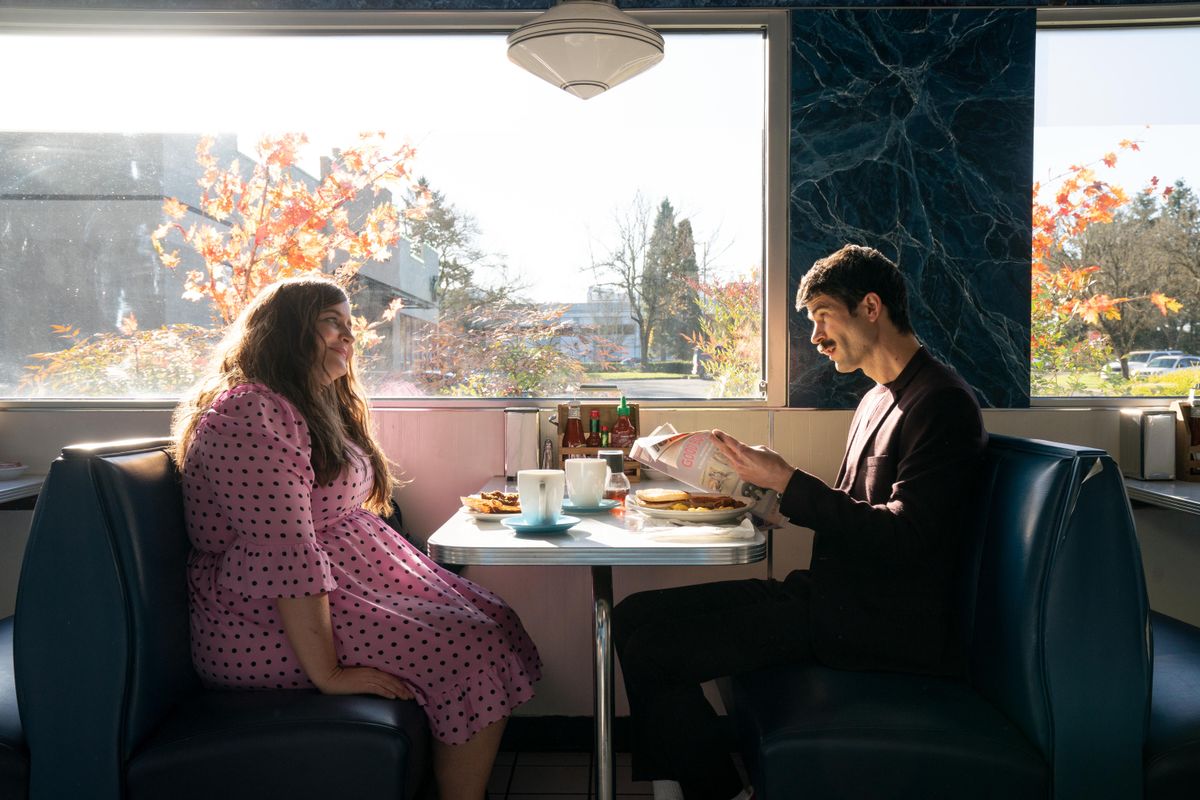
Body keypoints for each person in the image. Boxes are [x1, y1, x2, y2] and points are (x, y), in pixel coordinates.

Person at [613, 244, 987, 800]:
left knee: (654, 649)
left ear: (869, 306)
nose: (815, 336)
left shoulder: (943, 403)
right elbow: (853, 512)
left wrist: (789, 482)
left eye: (821, 316)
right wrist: (760, 492)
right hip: (830, 597)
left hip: (875, 625)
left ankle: (716, 792)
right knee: (631, 616)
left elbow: (908, 538)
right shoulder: (876, 400)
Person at [172, 276, 541, 800]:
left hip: (346, 588)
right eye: (331, 322)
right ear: (285, 330)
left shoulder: (311, 404)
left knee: (495, 620)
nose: (348, 336)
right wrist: (329, 673)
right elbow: (287, 556)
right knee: (471, 648)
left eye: (350, 326)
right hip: (262, 620)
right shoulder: (251, 412)